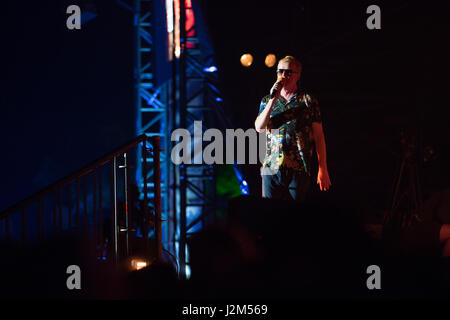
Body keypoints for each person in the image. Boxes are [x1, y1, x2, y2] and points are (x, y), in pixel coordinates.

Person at [255, 55, 331, 201]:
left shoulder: (307, 100)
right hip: (271, 167)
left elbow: (319, 136)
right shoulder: (267, 100)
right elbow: (259, 127)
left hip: (298, 168)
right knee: (269, 215)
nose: (283, 75)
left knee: (294, 217)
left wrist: (323, 168)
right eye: (280, 71)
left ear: (298, 76)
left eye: (288, 72)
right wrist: (273, 100)